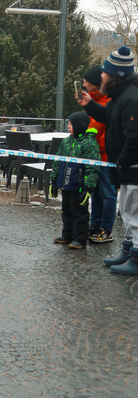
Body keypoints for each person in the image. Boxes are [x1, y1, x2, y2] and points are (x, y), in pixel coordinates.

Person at [78, 45, 138, 275]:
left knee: (134, 213)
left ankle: (136, 258)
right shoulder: (120, 94)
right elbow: (108, 116)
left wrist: (122, 161)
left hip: (133, 167)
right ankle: (128, 251)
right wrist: (90, 105)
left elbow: (134, 136)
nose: (101, 75)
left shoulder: (131, 97)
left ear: (115, 75)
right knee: (128, 211)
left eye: (104, 71)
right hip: (127, 167)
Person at [48, 112, 101, 249]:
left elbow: (93, 167)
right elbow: (57, 161)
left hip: (79, 185)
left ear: (79, 125)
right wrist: (54, 180)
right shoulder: (67, 141)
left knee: (79, 212)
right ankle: (67, 234)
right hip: (66, 183)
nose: (68, 126)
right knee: (66, 210)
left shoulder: (89, 143)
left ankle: (79, 238)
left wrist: (88, 187)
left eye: (70, 124)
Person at [81, 66, 116, 244]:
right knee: (96, 192)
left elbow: (98, 131)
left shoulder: (106, 103)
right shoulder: (95, 102)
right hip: (96, 156)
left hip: (105, 157)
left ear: (95, 84)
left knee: (107, 194)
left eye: (86, 81)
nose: (83, 84)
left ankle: (106, 229)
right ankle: (95, 224)